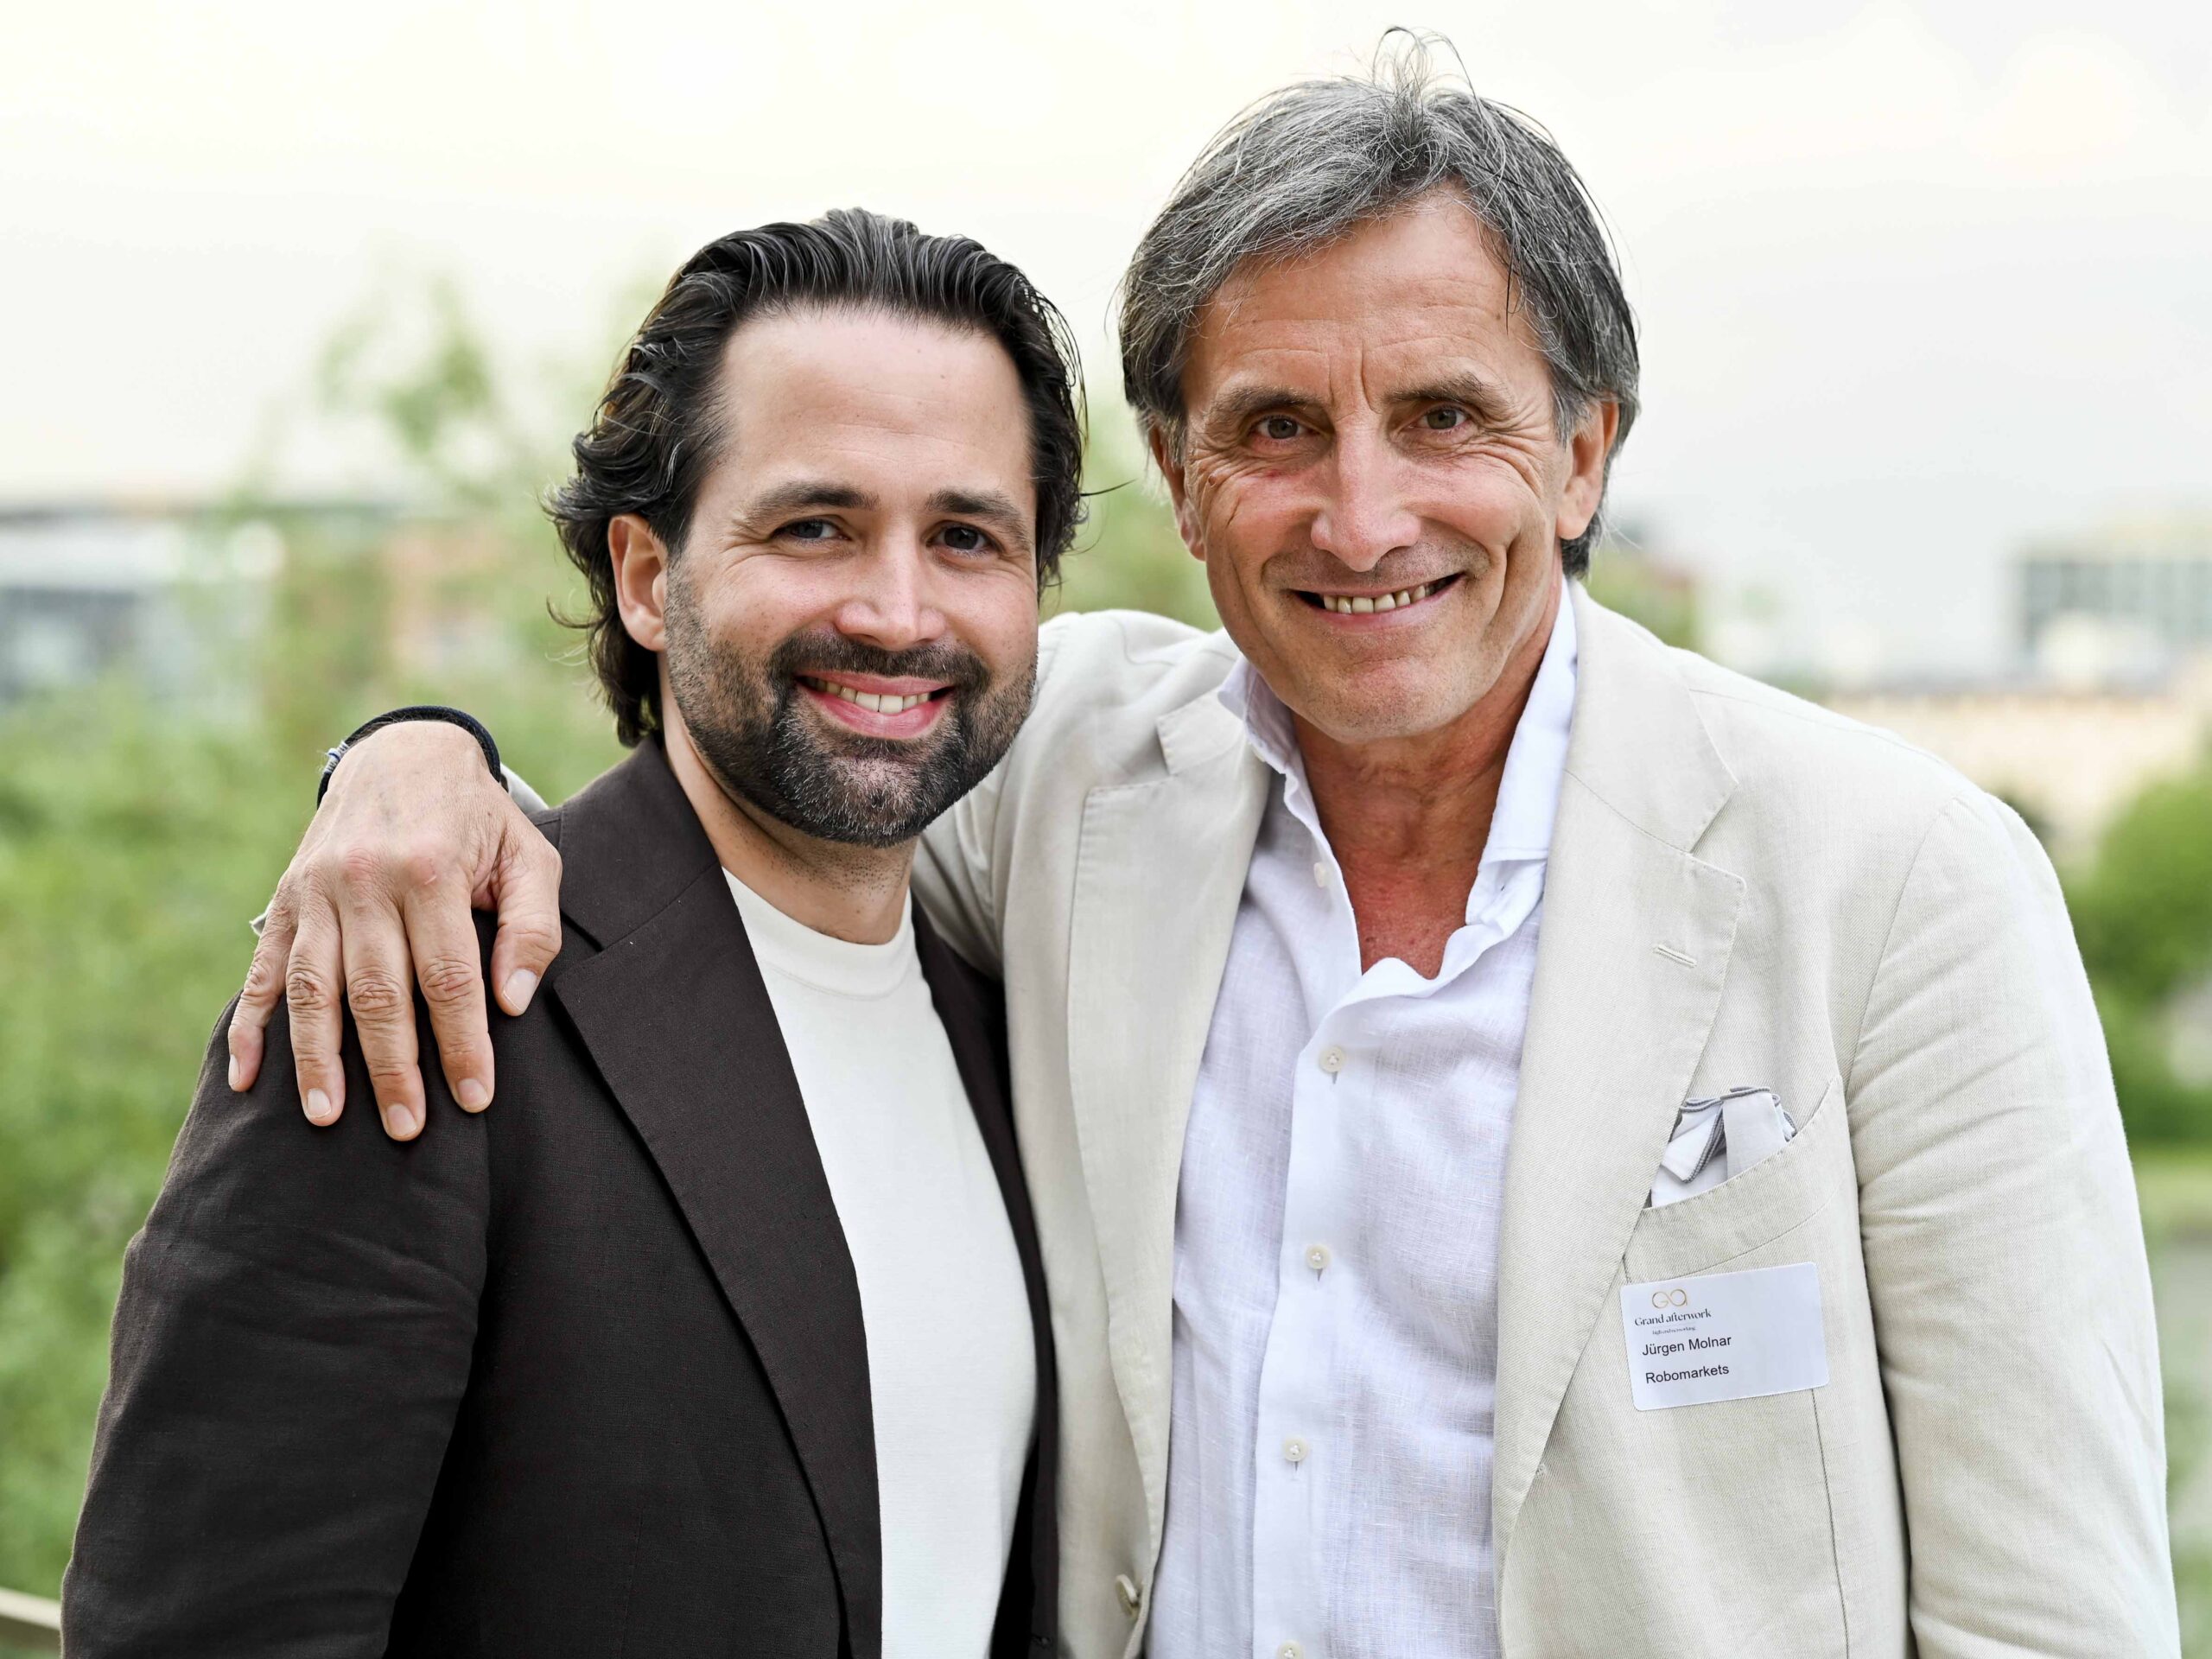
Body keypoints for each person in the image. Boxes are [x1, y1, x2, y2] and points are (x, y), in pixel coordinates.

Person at [221, 41, 2180, 1659]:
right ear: (1176, 472)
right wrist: (411, 763)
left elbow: (2048, 1616)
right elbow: (768, 779)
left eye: (1444, 417)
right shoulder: (1065, 771)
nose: (1361, 516)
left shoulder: (1898, 886)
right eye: (1275, 428)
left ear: (1585, 452)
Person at [65, 207, 1081, 1659]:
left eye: (967, 538)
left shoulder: (1016, 1025)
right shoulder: (421, 987)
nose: (897, 609)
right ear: (649, 578)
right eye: (816, 526)